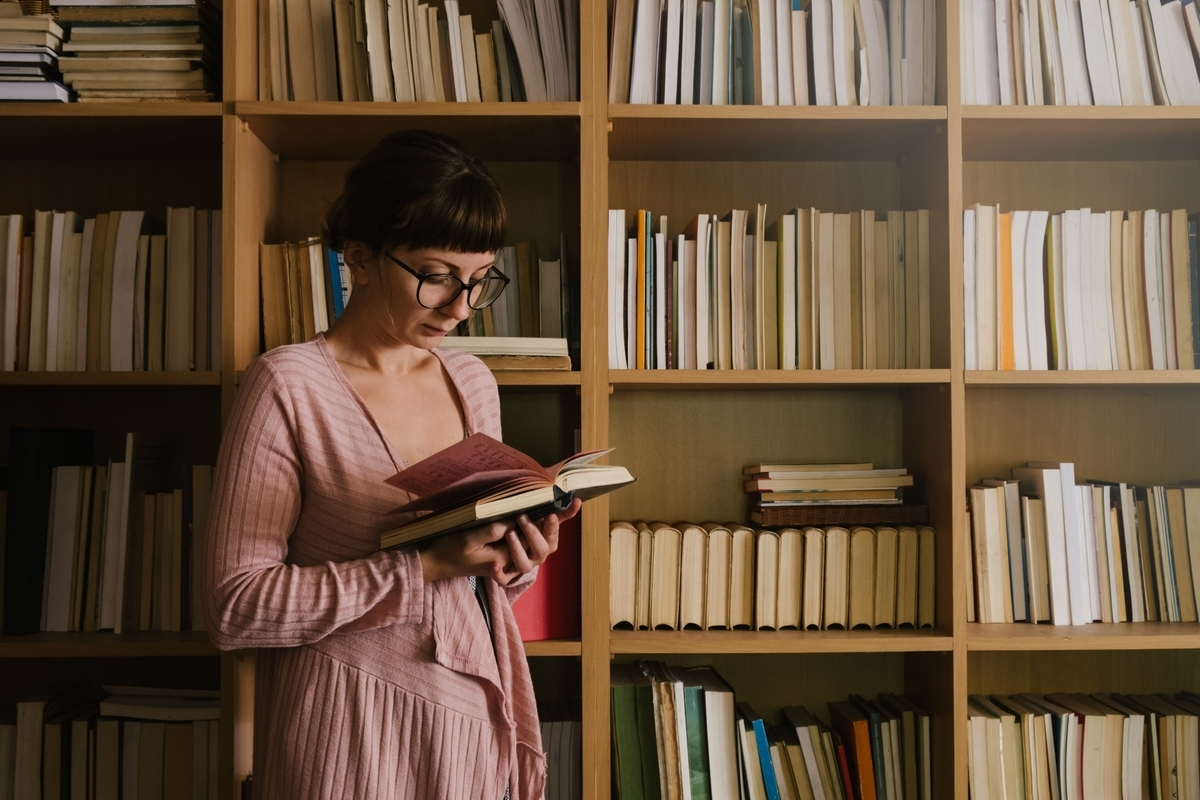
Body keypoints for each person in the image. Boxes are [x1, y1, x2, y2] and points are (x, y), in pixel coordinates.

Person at [204, 129, 579, 800]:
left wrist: (515, 560)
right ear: (361, 258)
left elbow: (465, 599)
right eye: (436, 278)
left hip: (466, 723)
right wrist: (426, 566)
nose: (461, 308)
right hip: (344, 732)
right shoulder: (288, 385)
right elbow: (235, 608)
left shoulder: (471, 381)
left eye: (478, 281)